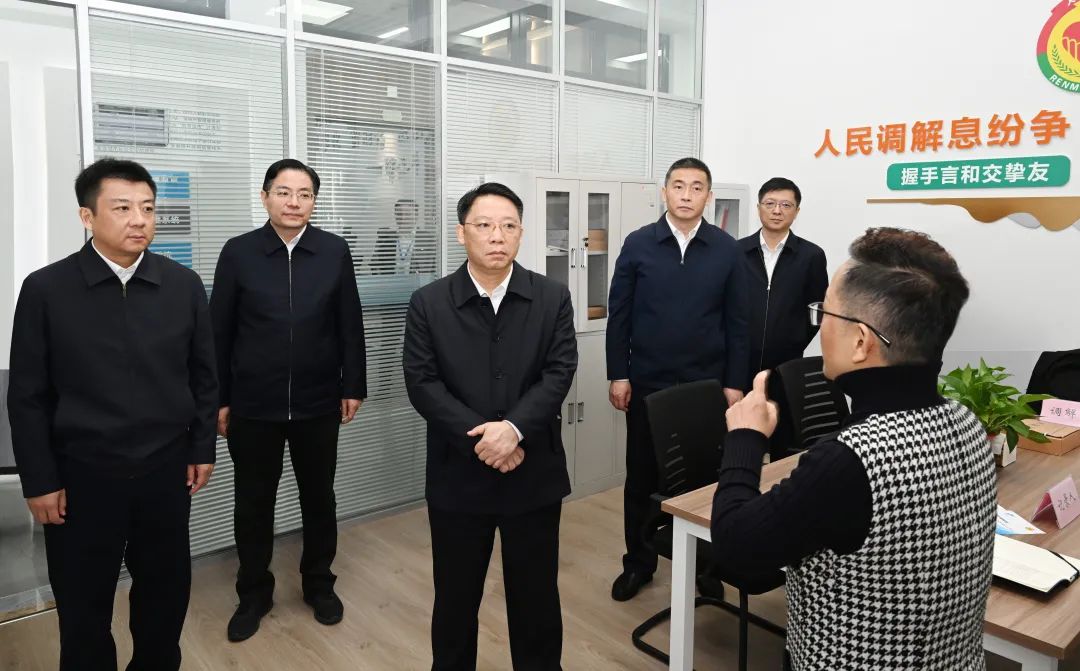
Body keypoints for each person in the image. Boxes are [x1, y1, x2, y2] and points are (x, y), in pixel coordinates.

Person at [711, 228, 995, 670]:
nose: (820, 324)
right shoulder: (967, 422)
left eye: (825, 311)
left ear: (861, 342)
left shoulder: (850, 461)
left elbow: (737, 548)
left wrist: (746, 437)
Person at [7, 158, 218, 671]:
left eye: (147, 208)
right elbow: (27, 395)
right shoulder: (46, 289)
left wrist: (201, 448)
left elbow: (204, 377)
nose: (139, 220)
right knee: (83, 607)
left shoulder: (183, 285)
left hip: (164, 472)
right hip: (81, 476)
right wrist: (40, 479)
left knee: (165, 596)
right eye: (122, 208)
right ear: (87, 216)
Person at [403, 182, 577, 670]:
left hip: (532, 473)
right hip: (458, 478)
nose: (497, 236)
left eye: (508, 226)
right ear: (462, 233)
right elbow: (422, 383)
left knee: (536, 598)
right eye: (484, 225)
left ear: (521, 233)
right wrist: (485, 438)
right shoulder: (429, 302)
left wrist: (513, 430)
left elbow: (559, 371)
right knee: (455, 599)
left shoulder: (552, 297)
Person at [210, 158, 367, 642]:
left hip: (319, 403)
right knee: (253, 502)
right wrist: (219, 398)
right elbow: (219, 331)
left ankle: (319, 584)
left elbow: (349, 321)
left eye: (304, 194)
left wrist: (353, 385)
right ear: (265, 197)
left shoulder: (334, 250)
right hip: (253, 404)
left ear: (314, 201)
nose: (294, 202)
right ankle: (253, 593)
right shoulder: (239, 252)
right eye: (283, 192)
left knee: (319, 498)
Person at [606, 157, 750, 601]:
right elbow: (619, 315)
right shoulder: (638, 243)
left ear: (709, 196)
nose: (687, 195)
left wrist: (734, 382)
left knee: (704, 480)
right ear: (664, 191)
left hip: (705, 388)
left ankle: (706, 567)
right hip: (647, 382)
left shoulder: (727, 250)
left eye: (697, 187)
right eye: (679, 185)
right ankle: (639, 563)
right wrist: (618, 374)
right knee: (642, 477)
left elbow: (738, 323)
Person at [740, 177, 828, 375]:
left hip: (788, 364)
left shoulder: (811, 255)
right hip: (740, 360)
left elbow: (817, 308)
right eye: (770, 203)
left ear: (797, 211)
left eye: (786, 205)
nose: (777, 211)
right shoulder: (737, 251)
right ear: (758, 208)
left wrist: (795, 340)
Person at [370, 198, 437, 275]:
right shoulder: (386, 239)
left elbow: (433, 269)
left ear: (416, 216)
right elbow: (374, 265)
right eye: (399, 214)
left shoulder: (428, 239)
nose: (403, 218)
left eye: (407, 214)